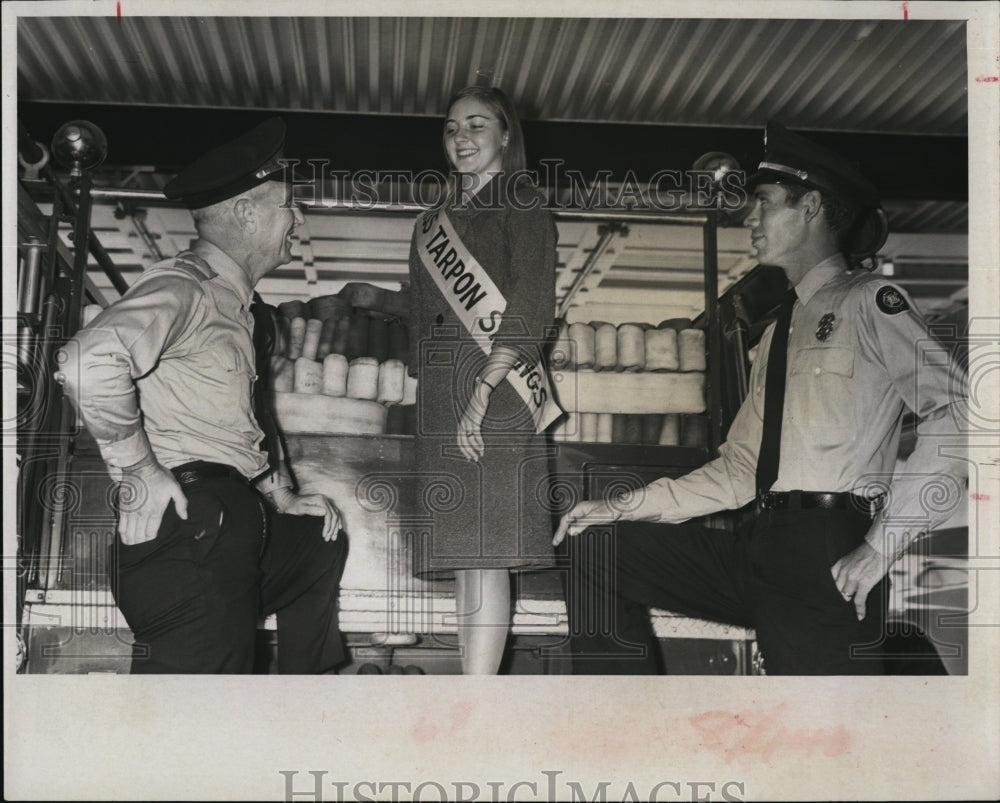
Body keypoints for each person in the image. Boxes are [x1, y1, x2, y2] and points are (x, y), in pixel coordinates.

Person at [554, 121, 968, 675]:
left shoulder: (871, 301)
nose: (751, 219)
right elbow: (740, 470)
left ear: (813, 207)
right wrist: (618, 507)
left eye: (765, 203)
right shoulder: (778, 331)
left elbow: (960, 412)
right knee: (596, 550)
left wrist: (882, 545)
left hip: (829, 549)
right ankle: (628, 730)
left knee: (815, 747)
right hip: (759, 546)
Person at [56, 118, 348, 674]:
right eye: (289, 205)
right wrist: (138, 470)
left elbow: (224, 425)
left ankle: (304, 709)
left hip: (234, 527)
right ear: (246, 212)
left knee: (319, 539)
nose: (299, 218)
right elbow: (85, 360)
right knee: (197, 735)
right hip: (189, 539)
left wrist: (281, 497)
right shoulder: (184, 286)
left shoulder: (238, 308)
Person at [407, 86, 562, 674]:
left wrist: (485, 385)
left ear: (504, 135)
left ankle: (479, 697)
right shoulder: (430, 223)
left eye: (476, 125)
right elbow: (425, 315)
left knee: (488, 551)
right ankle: (474, 685)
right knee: (466, 552)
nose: (461, 138)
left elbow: (531, 300)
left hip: (498, 392)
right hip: (447, 396)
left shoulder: (521, 201)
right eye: (451, 128)